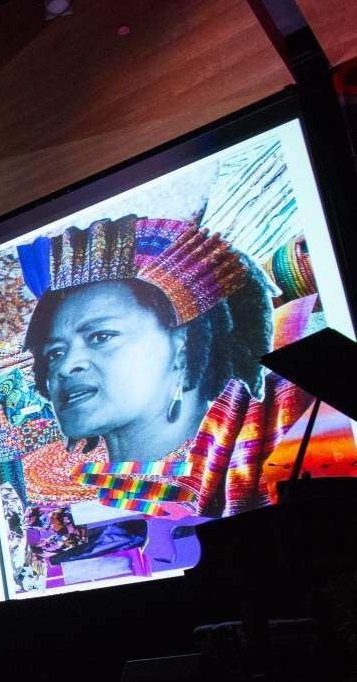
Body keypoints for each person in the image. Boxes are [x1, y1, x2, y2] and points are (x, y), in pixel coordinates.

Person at [16, 214, 307, 516]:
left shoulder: (281, 437)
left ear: (183, 346)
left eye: (101, 336)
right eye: (54, 353)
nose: (66, 366)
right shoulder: (47, 485)